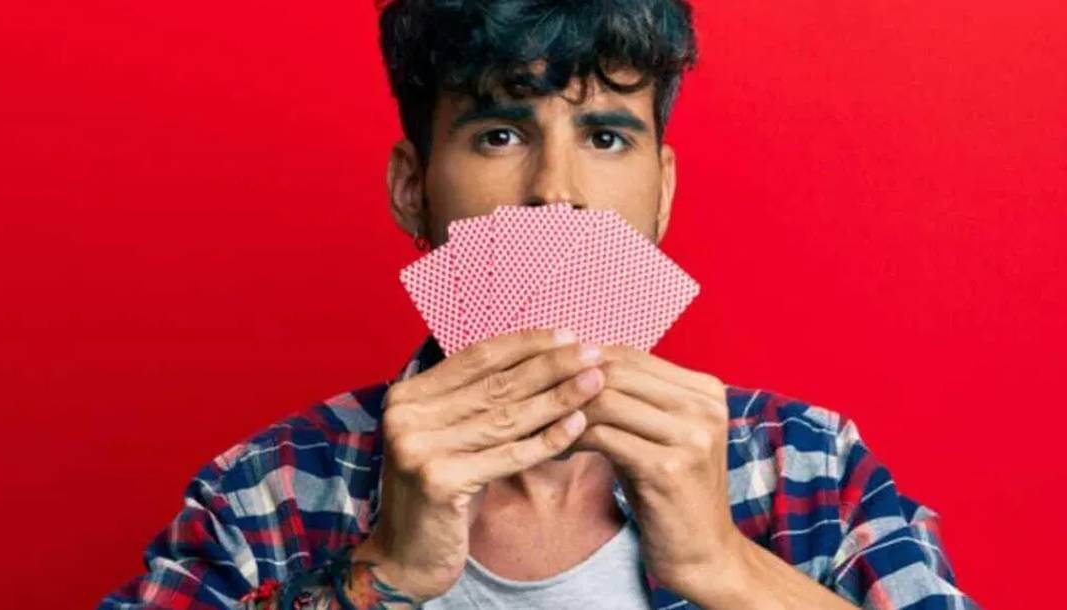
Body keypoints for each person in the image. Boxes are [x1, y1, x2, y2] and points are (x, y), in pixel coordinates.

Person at [99, 1, 979, 608]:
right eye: (500, 133)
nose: (554, 192)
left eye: (604, 135)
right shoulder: (263, 496)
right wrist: (384, 570)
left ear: (662, 191)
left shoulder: (810, 473)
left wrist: (727, 567)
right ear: (413, 187)